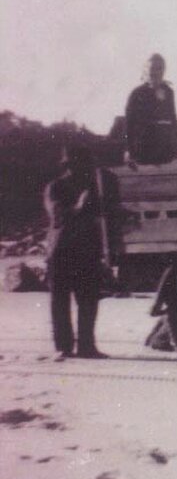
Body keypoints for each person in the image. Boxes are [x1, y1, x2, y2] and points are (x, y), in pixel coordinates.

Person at [44, 145, 108, 360]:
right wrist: (79, 206)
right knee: (60, 301)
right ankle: (63, 347)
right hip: (61, 251)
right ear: (68, 166)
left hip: (86, 251)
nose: (81, 169)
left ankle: (87, 347)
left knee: (88, 300)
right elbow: (57, 215)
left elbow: (102, 216)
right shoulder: (55, 187)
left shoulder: (92, 187)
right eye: (76, 165)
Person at [124, 53, 177, 165]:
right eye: (152, 68)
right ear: (146, 70)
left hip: (165, 149)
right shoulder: (137, 93)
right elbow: (129, 124)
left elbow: (173, 120)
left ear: (164, 71)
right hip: (144, 149)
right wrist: (129, 150)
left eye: (159, 69)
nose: (155, 72)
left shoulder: (168, 92)